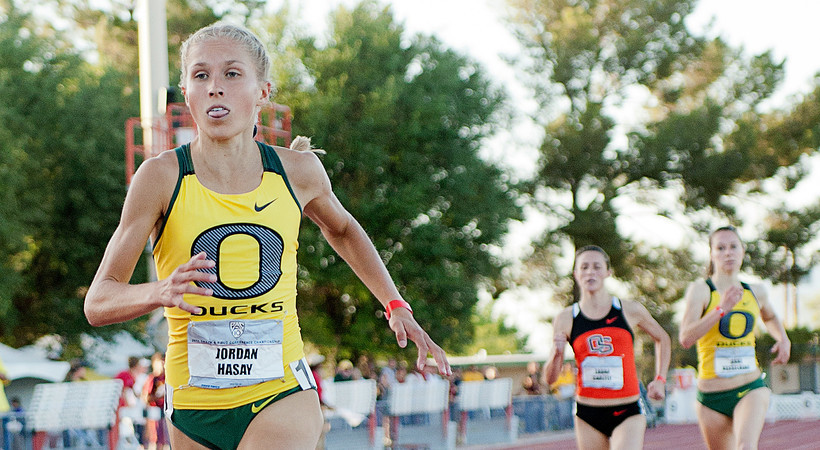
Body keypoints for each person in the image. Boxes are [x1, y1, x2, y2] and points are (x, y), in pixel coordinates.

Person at [84, 22, 450, 450]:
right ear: (186, 93)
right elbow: (98, 302)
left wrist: (395, 304)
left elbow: (344, 229)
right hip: (192, 406)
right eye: (201, 75)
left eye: (232, 73)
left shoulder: (297, 171)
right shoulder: (160, 177)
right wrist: (159, 291)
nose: (215, 87)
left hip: (280, 391)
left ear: (263, 91)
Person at [544, 245, 671, 449]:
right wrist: (557, 354)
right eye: (584, 267)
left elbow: (662, 338)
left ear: (607, 272)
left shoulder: (629, 310)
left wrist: (660, 379)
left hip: (627, 410)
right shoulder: (565, 318)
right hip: (588, 412)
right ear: (576, 274)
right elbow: (550, 379)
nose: (590, 272)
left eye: (596, 266)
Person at [679, 226, 790, 450]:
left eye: (733, 246)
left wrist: (783, 338)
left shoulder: (755, 291)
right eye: (721, 248)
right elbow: (686, 338)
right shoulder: (701, 291)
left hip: (749, 386)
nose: (728, 252)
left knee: (746, 446)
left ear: (742, 251)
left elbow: (769, 317)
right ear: (711, 254)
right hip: (712, 397)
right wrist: (721, 309)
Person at [143, 352, 169, 450]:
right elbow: (146, 397)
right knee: (155, 439)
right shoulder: (153, 379)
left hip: (166, 412)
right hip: (155, 413)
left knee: (165, 439)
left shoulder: (168, 377)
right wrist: (159, 396)